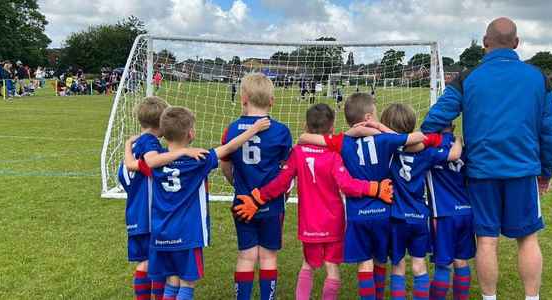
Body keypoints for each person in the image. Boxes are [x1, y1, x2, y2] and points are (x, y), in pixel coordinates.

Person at [420, 17, 552, 300]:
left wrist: (451, 143)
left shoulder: (468, 77)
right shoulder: (538, 78)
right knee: (528, 238)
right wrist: (546, 171)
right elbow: (550, 133)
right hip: (523, 171)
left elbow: (432, 121)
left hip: (481, 172)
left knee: (486, 240)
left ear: (485, 44)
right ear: (517, 44)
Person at [234, 103, 394, 300]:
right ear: (332, 128)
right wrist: (375, 188)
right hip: (333, 223)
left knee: (307, 265)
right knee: (332, 269)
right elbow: (348, 185)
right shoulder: (335, 155)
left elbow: (281, 183)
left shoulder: (298, 154)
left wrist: (258, 197)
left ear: (305, 126)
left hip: (309, 223)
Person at [298, 93, 426, 300]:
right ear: (368, 117)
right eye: (375, 115)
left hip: (358, 215)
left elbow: (303, 138)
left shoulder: (342, 141)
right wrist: (382, 129)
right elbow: (419, 138)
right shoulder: (384, 139)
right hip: (384, 211)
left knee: (364, 263)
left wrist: (351, 132)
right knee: (380, 261)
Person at [146, 106, 270, 300]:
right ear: (190, 133)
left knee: (171, 281)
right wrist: (253, 129)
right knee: (187, 283)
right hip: (187, 234)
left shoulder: (157, 159)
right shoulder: (198, 160)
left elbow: (148, 161)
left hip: (161, 231)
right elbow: (228, 148)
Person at [118, 96, 212, 300]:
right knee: (156, 265)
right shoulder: (152, 146)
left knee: (146, 262)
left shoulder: (136, 146)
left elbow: (124, 174)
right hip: (151, 215)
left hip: (134, 212)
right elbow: (150, 164)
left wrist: (126, 146)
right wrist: (184, 152)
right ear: (161, 123)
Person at [379, 103, 463, 300]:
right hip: (419, 217)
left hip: (397, 216)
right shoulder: (426, 152)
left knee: (398, 267)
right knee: (419, 265)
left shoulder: (387, 151)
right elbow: (454, 155)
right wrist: (458, 140)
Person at [220, 73, 292, 300]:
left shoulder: (232, 129)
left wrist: (235, 182)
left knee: (246, 256)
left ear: (243, 98)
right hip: (271, 203)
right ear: (272, 101)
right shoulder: (281, 131)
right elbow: (286, 168)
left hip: (242, 201)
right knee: (268, 256)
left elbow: (225, 163)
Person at [426, 125, 475, 300]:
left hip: (443, 214)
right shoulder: (463, 148)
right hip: (466, 212)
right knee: (461, 261)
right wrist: (460, 140)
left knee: (443, 265)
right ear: (453, 126)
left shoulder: (429, 147)